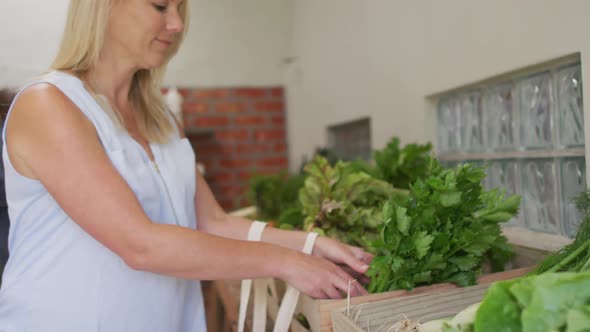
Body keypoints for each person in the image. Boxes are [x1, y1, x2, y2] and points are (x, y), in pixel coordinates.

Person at [0, 1, 373, 331]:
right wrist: (284, 262)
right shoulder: (49, 105)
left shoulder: (159, 117)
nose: (177, 24)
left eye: (181, 8)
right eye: (160, 6)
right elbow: (139, 244)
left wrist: (311, 245)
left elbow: (214, 222)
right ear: (104, 6)